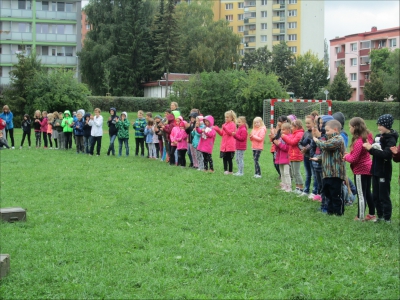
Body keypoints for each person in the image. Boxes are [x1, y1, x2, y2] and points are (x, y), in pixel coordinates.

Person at [363, 114, 398, 223]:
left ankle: (387, 218)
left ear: (387, 125)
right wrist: (369, 147)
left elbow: (386, 154)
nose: (378, 127)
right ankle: (380, 215)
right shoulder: (378, 136)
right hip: (375, 169)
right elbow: (374, 149)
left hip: (384, 171)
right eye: (378, 125)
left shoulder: (391, 139)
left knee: (384, 195)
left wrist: (371, 150)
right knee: (375, 195)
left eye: (380, 125)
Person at [313, 120, 346, 216]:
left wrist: (316, 140)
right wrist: (318, 158)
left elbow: (326, 146)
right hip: (327, 173)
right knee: (328, 193)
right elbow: (325, 154)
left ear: (335, 129)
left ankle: (338, 212)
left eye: (327, 131)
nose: (326, 133)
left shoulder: (338, 139)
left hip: (336, 173)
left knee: (336, 194)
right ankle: (330, 211)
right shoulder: (329, 139)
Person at [343, 117, 374, 221]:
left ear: (355, 127)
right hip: (368, 167)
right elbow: (359, 154)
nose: (349, 129)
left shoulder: (358, 141)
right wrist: (350, 154)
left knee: (361, 194)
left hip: (361, 170)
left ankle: (360, 217)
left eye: (350, 127)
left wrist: (346, 156)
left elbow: (354, 159)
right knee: (367, 192)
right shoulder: (367, 136)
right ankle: (372, 214)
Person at [310, 115, 334, 210]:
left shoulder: (329, 137)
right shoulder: (320, 135)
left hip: (325, 166)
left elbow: (324, 147)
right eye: (319, 123)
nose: (320, 125)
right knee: (320, 186)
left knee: (326, 186)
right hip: (316, 164)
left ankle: (327, 206)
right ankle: (323, 204)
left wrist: (318, 138)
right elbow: (313, 146)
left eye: (322, 123)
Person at [282, 119, 304, 193]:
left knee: (297, 172)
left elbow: (292, 142)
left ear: (296, 126)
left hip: (297, 155)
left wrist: (284, 137)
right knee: (294, 173)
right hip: (293, 155)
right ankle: (297, 187)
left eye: (292, 126)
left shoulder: (299, 134)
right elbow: (290, 140)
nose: (291, 128)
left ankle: (301, 188)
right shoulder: (295, 133)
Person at [298, 115, 317, 197]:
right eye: (306, 123)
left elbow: (314, 143)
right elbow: (299, 143)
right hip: (306, 156)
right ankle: (306, 190)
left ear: (314, 123)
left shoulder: (315, 132)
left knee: (314, 175)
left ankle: (314, 191)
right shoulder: (305, 133)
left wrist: (307, 148)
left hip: (313, 157)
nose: (307, 125)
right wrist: (302, 148)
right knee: (307, 174)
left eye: (309, 123)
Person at [215, 110, 237, 175]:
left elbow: (230, 133)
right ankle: (225, 170)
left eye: (227, 117)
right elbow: (222, 134)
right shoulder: (224, 125)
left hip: (230, 145)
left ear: (232, 118)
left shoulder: (233, 125)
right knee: (224, 158)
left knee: (229, 159)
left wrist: (225, 128)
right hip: (224, 145)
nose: (226, 118)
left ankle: (230, 171)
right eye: (225, 117)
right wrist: (217, 130)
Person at [274, 123, 291, 192]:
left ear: (288, 130)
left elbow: (287, 148)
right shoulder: (281, 138)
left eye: (283, 130)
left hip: (286, 158)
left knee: (286, 173)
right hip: (280, 157)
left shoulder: (289, 138)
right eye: (281, 129)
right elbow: (277, 148)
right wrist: (276, 144)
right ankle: (284, 184)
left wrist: (279, 144)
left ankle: (289, 186)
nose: (282, 131)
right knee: (282, 172)